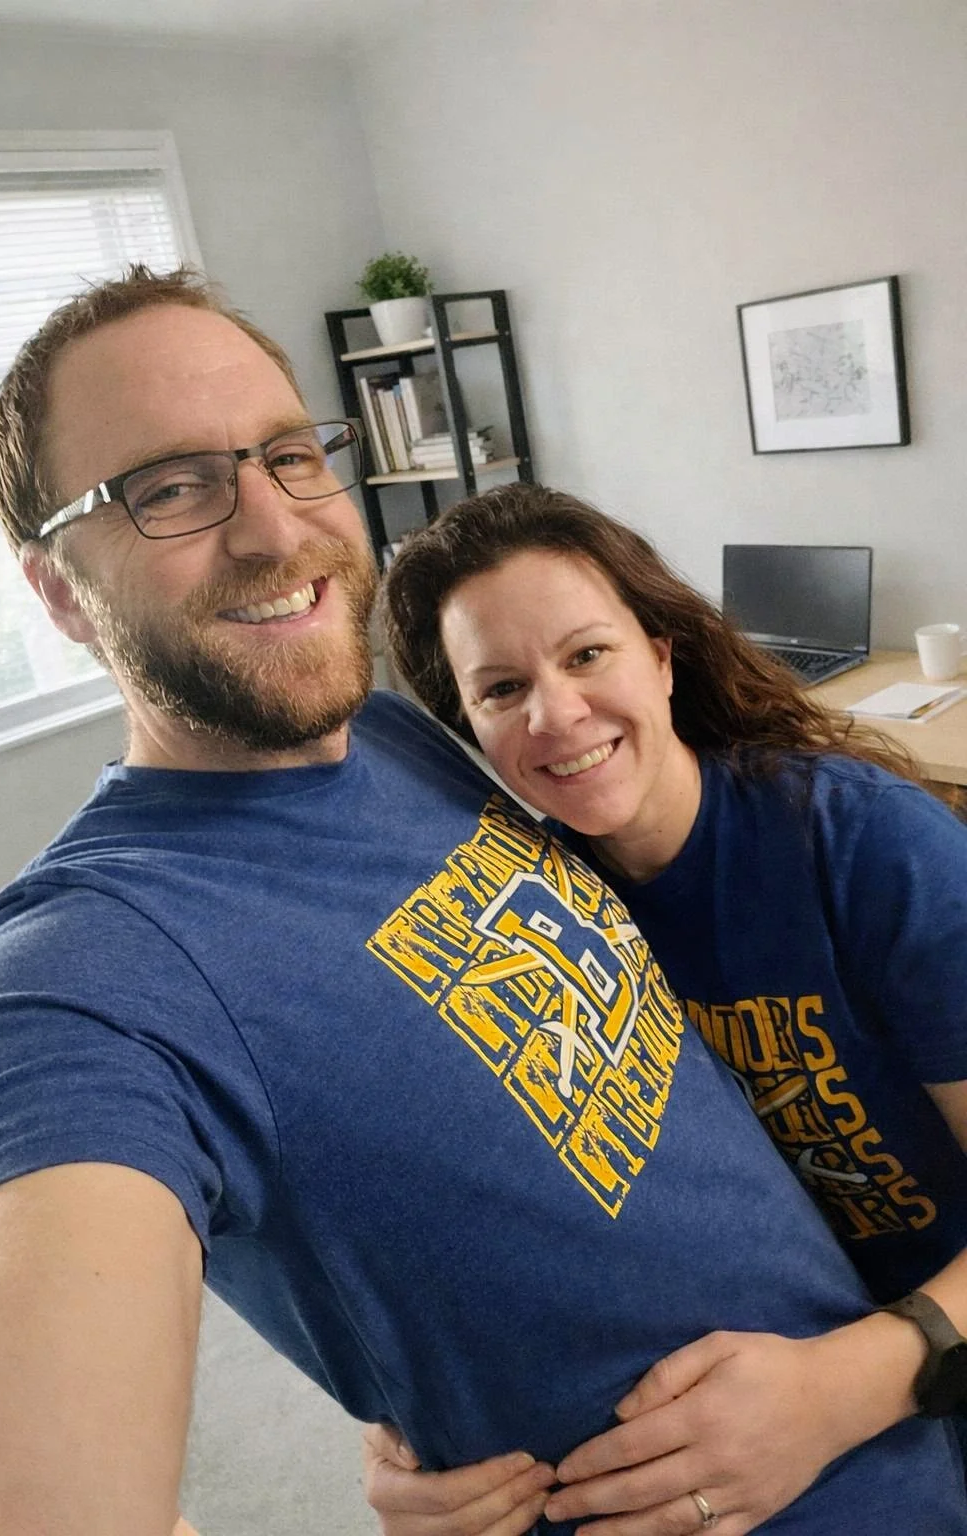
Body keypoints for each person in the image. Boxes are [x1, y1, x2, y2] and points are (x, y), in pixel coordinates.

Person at [0, 270, 963, 1536]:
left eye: (287, 455)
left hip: (911, 1424)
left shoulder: (391, 739)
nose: (271, 529)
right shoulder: (83, 974)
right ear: (54, 592)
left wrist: (422, 1371)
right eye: (168, 489)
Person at [372, 480, 967, 1535]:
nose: (555, 714)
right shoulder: (533, 918)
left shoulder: (864, 846)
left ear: (660, 654)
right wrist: (423, 1444)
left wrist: (845, 1390)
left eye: (586, 654)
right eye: (502, 688)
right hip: (776, 1342)